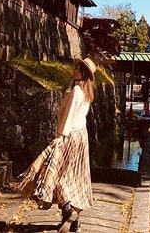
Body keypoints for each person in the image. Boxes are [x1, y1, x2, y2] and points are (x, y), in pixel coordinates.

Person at [18, 57, 96, 233]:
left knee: (59, 174)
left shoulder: (77, 90)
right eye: (76, 67)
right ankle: (75, 218)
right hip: (81, 136)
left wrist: (60, 136)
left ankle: (68, 210)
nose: (74, 70)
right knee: (75, 176)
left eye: (78, 69)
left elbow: (69, 115)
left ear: (83, 73)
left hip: (69, 135)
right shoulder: (85, 92)